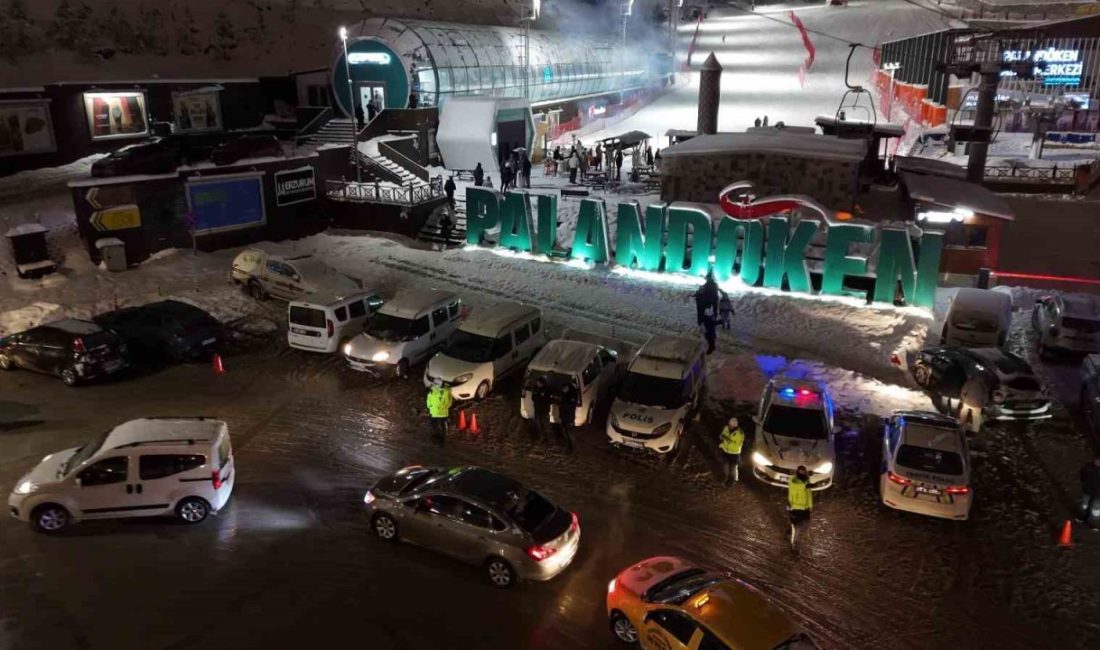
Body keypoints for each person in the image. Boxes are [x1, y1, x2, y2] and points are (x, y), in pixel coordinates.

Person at [787, 465, 813, 550]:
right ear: (797, 471)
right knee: (797, 527)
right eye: (801, 471)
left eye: (804, 471)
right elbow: (795, 488)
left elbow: (809, 494)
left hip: (805, 508)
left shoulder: (807, 480)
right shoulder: (793, 480)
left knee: (806, 523)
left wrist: (810, 505)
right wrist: (804, 487)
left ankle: (792, 530)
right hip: (796, 507)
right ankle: (795, 544)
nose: (803, 473)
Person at [718, 417, 745, 486]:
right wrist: (723, 438)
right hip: (725, 451)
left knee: (733, 468)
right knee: (725, 468)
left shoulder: (740, 433)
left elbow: (738, 444)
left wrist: (727, 439)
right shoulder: (726, 428)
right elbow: (721, 436)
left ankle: (733, 481)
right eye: (729, 424)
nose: (730, 426)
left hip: (734, 454)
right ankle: (725, 479)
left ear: (735, 426)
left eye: (731, 425)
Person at [426, 379, 453, 444]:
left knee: (438, 425)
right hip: (438, 413)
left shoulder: (434, 392)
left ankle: (439, 437)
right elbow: (429, 399)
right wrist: (430, 406)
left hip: (437, 413)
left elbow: (449, 402)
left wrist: (430, 407)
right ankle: (440, 437)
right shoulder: (444, 391)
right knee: (439, 425)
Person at [1079, 456, 1100, 530]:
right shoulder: (1088, 467)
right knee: (1085, 505)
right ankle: (1084, 519)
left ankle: (1094, 524)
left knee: (1096, 510)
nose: (1098, 461)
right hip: (1088, 491)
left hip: (1098, 494)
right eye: (1097, 460)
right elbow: (1082, 476)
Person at [557, 382, 578, 452]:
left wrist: (564, 405)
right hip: (563, 417)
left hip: (569, 418)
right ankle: (569, 446)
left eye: (564, 389)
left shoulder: (572, 396)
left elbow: (571, 407)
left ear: (567, 388)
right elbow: (561, 407)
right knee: (565, 432)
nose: (563, 390)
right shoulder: (564, 395)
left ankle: (573, 447)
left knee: (570, 433)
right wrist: (560, 416)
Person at [531, 377, 552, 441]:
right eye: (537, 383)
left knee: (546, 424)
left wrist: (539, 397)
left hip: (544, 411)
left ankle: (549, 438)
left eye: (538, 383)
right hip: (537, 409)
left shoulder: (546, 390)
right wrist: (539, 396)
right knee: (538, 424)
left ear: (542, 384)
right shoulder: (535, 388)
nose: (537, 384)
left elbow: (548, 400)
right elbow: (533, 398)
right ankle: (542, 437)